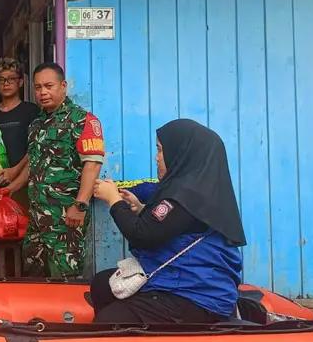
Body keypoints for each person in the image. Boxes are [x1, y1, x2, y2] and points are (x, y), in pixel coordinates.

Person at [90, 119, 246, 323]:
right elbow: (173, 225)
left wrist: (113, 200)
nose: (156, 158)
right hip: (180, 278)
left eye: (160, 150)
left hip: (196, 296)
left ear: (181, 154)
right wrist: (141, 209)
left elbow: (142, 235)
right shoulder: (195, 191)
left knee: (108, 320)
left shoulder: (185, 196)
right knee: (102, 284)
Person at [5, 63, 104, 278]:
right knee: (34, 278)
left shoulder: (83, 120)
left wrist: (80, 204)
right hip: (37, 219)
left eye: (49, 86)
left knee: (64, 279)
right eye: (38, 87)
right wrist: (11, 188)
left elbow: (93, 164)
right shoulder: (37, 124)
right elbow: (34, 163)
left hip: (65, 219)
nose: (43, 92)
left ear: (63, 86)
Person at [0, 57, 39, 204]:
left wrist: (15, 171)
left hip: (25, 184)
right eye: (2, 80)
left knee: (22, 225)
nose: (6, 83)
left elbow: (36, 148)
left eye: (11, 79)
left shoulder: (31, 111)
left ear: (20, 82)